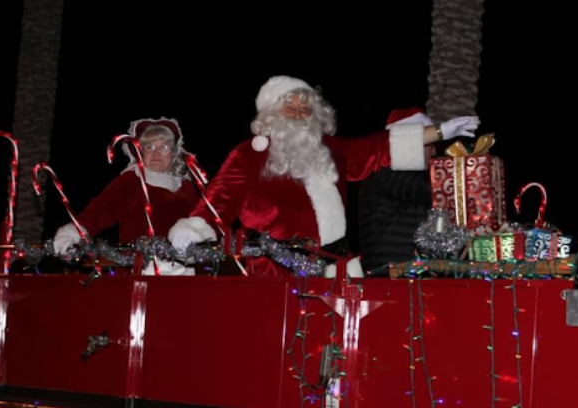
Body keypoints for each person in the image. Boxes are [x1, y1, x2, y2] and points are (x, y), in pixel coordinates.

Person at [169, 76, 478, 276]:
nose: (298, 112)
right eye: (289, 106)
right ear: (271, 112)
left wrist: (440, 131)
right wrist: (194, 227)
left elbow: (379, 146)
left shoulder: (331, 149)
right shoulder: (249, 154)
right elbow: (219, 198)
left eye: (305, 107)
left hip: (335, 268)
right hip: (275, 271)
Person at [53, 117, 201, 274]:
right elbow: (100, 210)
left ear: (174, 153)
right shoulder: (132, 179)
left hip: (183, 271)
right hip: (138, 270)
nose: (156, 153)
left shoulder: (184, 186)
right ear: (140, 152)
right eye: (149, 147)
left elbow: (202, 220)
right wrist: (71, 235)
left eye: (163, 147)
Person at [358, 108, 437, 272]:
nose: (434, 152)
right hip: (389, 276)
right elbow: (434, 189)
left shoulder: (406, 175)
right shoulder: (386, 171)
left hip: (408, 273)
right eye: (429, 145)